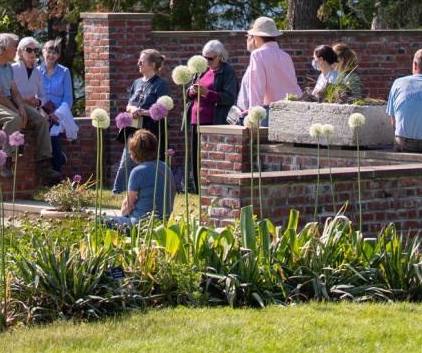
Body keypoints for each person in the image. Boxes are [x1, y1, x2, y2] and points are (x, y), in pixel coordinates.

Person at [0, 33, 54, 177]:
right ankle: (6, 160)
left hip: (7, 100)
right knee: (14, 119)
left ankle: (44, 162)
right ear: (4, 48)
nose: (16, 50)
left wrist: (22, 107)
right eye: (13, 46)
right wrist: (16, 111)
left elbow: (15, 91)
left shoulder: (7, 67)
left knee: (41, 120)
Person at [112, 49, 170, 193]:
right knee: (126, 161)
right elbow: (128, 104)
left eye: (142, 61)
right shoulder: (136, 83)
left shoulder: (160, 85)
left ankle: (151, 190)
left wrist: (143, 112)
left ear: (152, 64)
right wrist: (132, 109)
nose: (138, 63)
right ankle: (117, 191)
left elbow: (162, 110)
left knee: (149, 162)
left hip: (150, 131)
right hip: (133, 129)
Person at [184, 39, 239, 192]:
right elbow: (188, 92)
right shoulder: (201, 70)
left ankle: (210, 189)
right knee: (196, 157)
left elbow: (230, 96)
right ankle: (197, 190)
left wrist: (208, 93)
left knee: (210, 156)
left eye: (210, 58)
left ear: (220, 56)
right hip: (196, 120)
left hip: (214, 120)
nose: (207, 61)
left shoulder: (227, 71)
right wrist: (191, 91)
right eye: (204, 58)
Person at [103, 129, 175, 229]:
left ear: (134, 152)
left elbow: (127, 208)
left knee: (100, 220)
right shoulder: (166, 168)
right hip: (162, 225)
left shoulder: (138, 171)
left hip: (140, 225)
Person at [235, 16, 301, 125]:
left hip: (269, 112)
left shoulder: (258, 54)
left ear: (256, 37)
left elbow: (257, 87)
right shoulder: (286, 56)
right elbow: (293, 84)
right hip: (291, 110)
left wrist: (254, 113)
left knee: (261, 142)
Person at [40, 39, 76, 176]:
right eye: (49, 51)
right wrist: (43, 111)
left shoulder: (64, 72)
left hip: (60, 113)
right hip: (42, 111)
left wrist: (57, 114)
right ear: (43, 52)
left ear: (58, 56)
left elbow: (68, 98)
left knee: (53, 130)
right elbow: (35, 94)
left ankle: (55, 170)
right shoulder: (36, 71)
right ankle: (57, 162)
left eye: (55, 53)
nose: (51, 55)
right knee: (47, 127)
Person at [11, 37, 45, 110]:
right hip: (15, 109)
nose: (33, 53)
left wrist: (38, 102)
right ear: (20, 51)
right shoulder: (11, 69)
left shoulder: (38, 72)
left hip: (33, 110)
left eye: (35, 50)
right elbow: (5, 93)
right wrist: (23, 100)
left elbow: (43, 96)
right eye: (29, 50)